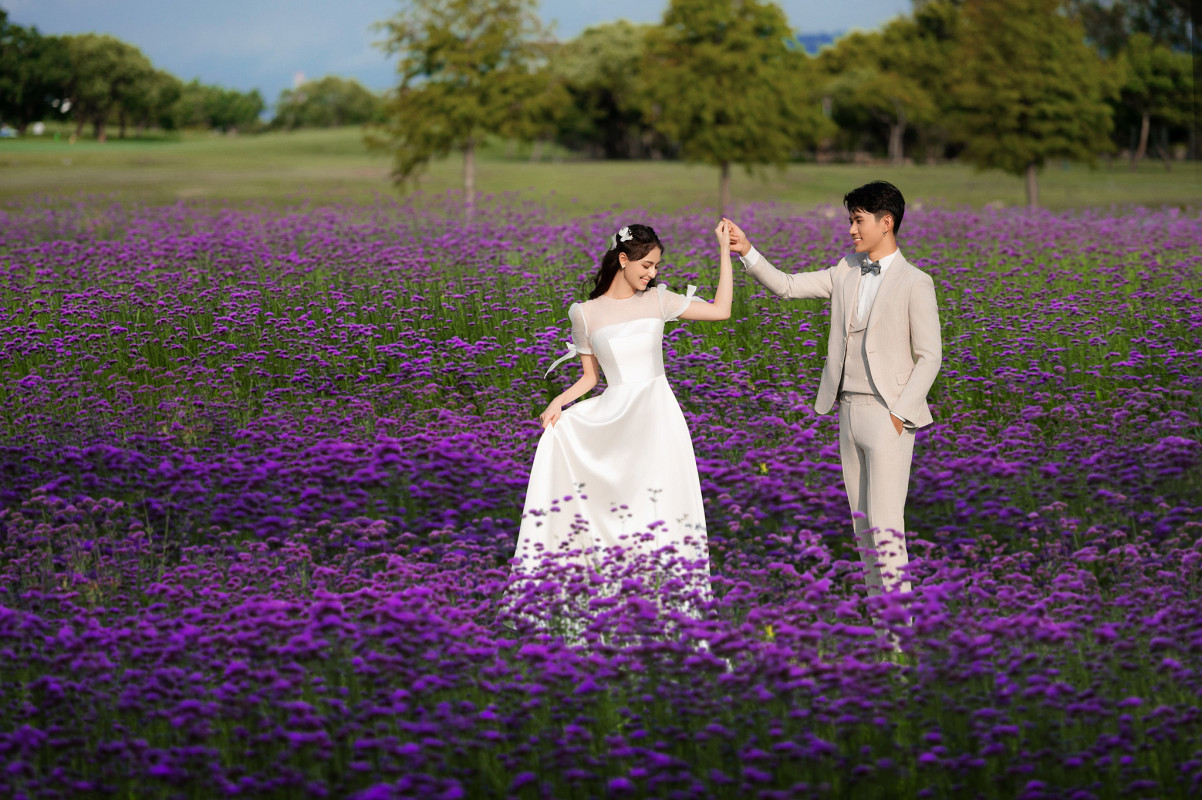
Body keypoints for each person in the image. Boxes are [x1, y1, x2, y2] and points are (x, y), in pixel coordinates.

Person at [726, 181, 942, 597]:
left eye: (858, 221)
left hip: (888, 416)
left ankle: (901, 639)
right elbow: (788, 286)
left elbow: (930, 356)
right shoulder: (845, 270)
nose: (851, 231)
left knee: (887, 534)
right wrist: (747, 250)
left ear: (887, 222)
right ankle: (883, 637)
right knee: (864, 536)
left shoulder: (917, 282)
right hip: (846, 412)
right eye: (850, 221)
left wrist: (899, 413)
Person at [511, 221, 733, 602]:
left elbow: (721, 311)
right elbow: (589, 379)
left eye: (657, 266)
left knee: (661, 505)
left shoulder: (659, 300)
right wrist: (558, 402)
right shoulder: (584, 313)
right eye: (646, 265)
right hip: (615, 418)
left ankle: (668, 600)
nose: (653, 273)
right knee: (614, 506)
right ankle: (606, 593)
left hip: (658, 418)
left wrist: (725, 253)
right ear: (623, 259)